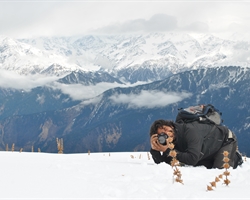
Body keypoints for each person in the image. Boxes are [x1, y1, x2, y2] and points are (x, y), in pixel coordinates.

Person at [149, 119, 242, 169]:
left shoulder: (190, 131)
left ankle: (236, 158)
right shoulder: (173, 141)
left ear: (171, 126)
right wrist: (155, 150)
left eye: (165, 129)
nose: (167, 133)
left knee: (219, 171)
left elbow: (192, 159)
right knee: (201, 167)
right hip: (206, 149)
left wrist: (167, 150)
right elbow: (165, 165)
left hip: (224, 140)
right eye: (162, 134)